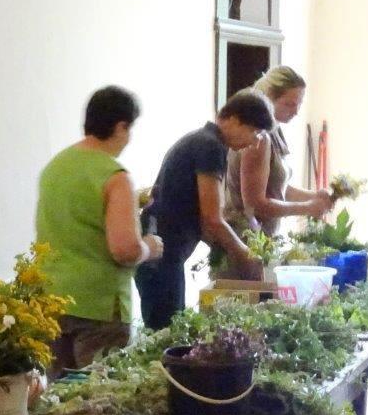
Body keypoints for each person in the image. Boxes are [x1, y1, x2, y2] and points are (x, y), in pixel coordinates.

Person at [36, 85, 163, 373]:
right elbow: (124, 250)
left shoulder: (54, 167)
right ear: (121, 126)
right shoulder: (115, 176)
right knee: (96, 392)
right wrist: (150, 246)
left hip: (50, 298)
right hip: (98, 305)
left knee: (57, 392)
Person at [135, 90, 273, 330]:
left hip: (161, 254)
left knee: (167, 329)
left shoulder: (201, 140)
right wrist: (244, 254)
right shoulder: (210, 146)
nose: (254, 142)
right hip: (161, 256)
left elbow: (204, 216)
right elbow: (212, 218)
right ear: (233, 120)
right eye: (254, 132)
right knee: (166, 334)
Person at [224, 66, 332, 239]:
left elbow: (275, 188)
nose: (296, 112)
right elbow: (255, 204)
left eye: (299, 104)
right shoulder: (258, 138)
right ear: (269, 99)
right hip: (244, 238)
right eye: (289, 104)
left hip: (263, 236)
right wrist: (307, 208)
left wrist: (314, 197)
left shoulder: (274, 131)